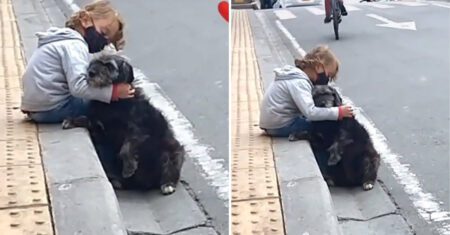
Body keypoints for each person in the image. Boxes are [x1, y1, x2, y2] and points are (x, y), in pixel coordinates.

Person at [20, 0, 134, 123]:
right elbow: (78, 87)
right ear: (85, 20)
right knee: (103, 104)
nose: (102, 43)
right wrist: (113, 92)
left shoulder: (62, 39)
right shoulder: (75, 45)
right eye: (103, 33)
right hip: (52, 109)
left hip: (36, 107)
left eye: (107, 42)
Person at [259, 45, 354, 138]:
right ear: (318, 67)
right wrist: (338, 112)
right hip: (281, 125)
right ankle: (323, 153)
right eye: (328, 75)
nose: (327, 80)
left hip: (273, 122)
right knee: (326, 126)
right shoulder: (300, 82)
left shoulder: (294, 76)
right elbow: (310, 112)